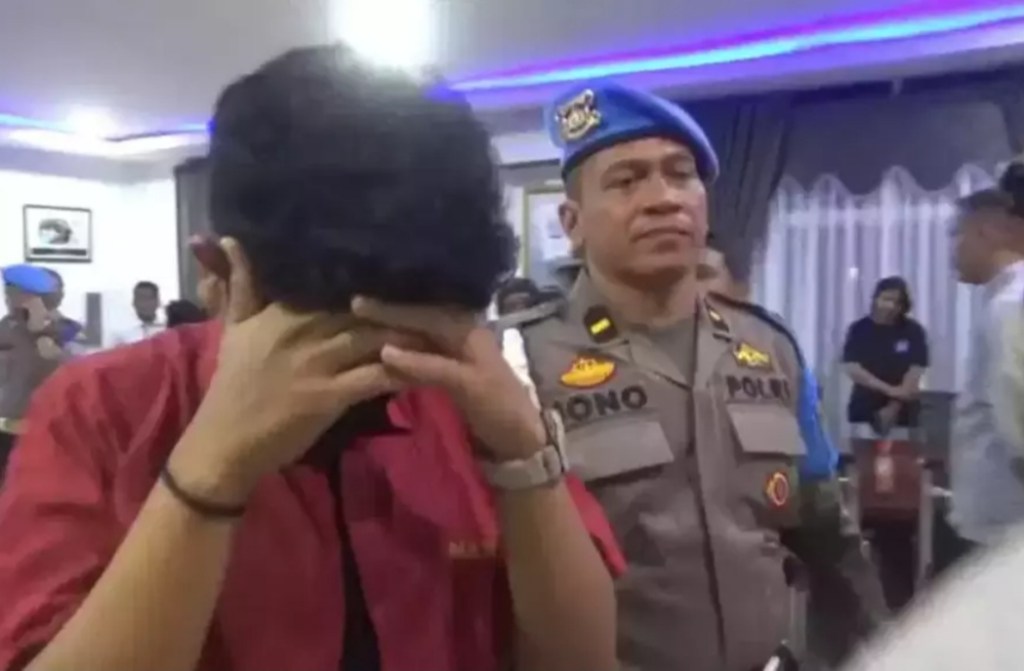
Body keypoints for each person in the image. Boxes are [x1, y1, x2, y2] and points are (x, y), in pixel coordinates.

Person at [0, 45, 622, 671]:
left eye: (413, 329)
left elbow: (582, 661)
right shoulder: (100, 409)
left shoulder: (462, 392)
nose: (377, 371)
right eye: (339, 331)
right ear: (219, 272)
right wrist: (212, 469)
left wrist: (523, 454)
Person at [500, 80, 887, 671]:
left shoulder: (769, 347)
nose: (663, 199)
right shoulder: (521, 359)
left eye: (681, 176)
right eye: (626, 181)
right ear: (572, 223)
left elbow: (826, 532)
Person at [943, 165, 1024, 567]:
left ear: (986, 232)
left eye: (956, 233)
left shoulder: (1011, 306)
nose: (952, 248)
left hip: (1003, 534)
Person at [0, 264, 65, 483]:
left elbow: (57, 368)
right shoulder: (4, 329)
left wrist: (40, 332)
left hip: (44, 429)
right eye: (7, 292)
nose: (8, 298)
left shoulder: (63, 329)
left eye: (14, 292)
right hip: (5, 427)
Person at [842, 277, 929, 435]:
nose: (891, 306)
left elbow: (916, 370)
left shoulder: (913, 331)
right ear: (876, 299)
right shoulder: (859, 329)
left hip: (904, 412)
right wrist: (890, 390)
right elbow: (853, 368)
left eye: (897, 302)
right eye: (886, 299)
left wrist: (894, 405)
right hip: (865, 408)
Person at [41, 269, 86, 355]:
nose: (60, 293)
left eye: (60, 288)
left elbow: (78, 355)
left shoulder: (71, 328)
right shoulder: (17, 324)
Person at [109, 280, 163, 346]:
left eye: (149, 298)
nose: (145, 304)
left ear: (158, 302)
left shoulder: (167, 329)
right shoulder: (121, 334)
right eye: (141, 299)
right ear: (134, 303)